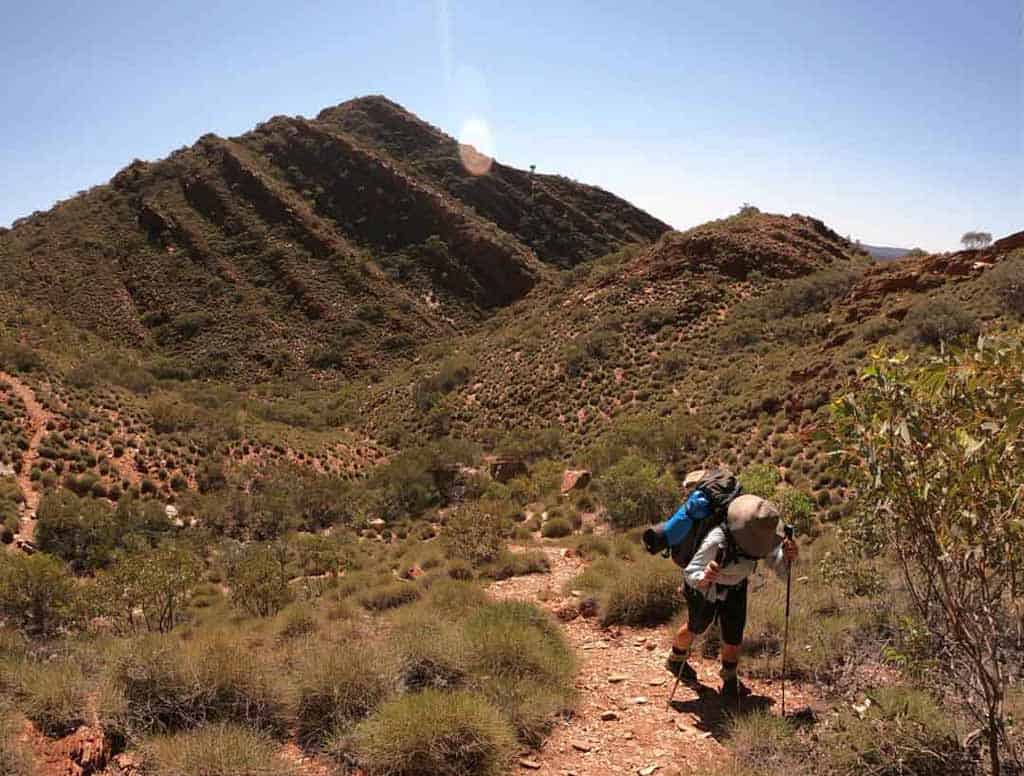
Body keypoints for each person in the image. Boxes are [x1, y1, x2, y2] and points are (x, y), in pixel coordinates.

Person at [665, 493, 799, 699]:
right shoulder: (718, 538)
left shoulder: (765, 537)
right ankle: (676, 658)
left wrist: (788, 558)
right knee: (697, 626)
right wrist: (705, 577)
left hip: (736, 586)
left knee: (734, 636)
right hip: (704, 587)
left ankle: (729, 677)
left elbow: (780, 569)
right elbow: (691, 572)